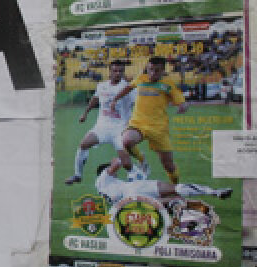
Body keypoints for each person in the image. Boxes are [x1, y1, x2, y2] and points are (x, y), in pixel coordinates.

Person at [65, 60, 150, 185]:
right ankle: (77, 175)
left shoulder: (128, 88)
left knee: (127, 164)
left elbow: (139, 104)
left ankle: (140, 174)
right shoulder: (102, 86)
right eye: (115, 71)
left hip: (119, 129)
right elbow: (95, 99)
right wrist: (85, 113)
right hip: (102, 127)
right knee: (83, 144)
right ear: (109, 71)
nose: (117, 73)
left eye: (120, 71)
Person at [109, 56, 188, 183]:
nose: (152, 73)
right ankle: (142, 160)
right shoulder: (141, 79)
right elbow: (128, 88)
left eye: (156, 70)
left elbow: (181, 100)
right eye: (150, 69)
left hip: (158, 128)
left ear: (163, 70)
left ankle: (176, 187)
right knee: (126, 140)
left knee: (169, 166)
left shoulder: (168, 85)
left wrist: (183, 106)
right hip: (138, 123)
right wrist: (115, 99)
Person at [94, 163, 232, 207]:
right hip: (135, 188)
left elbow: (120, 194)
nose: (116, 174)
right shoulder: (104, 176)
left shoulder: (103, 188)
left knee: (176, 199)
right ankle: (215, 192)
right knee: (176, 189)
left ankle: (191, 210)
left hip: (132, 203)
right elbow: (117, 163)